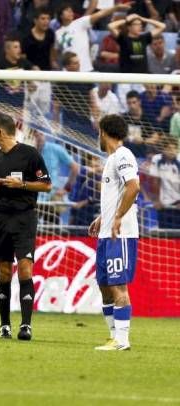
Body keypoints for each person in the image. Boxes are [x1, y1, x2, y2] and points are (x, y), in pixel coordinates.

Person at [0, 114, 51, 341]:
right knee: (4, 272)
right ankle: (4, 326)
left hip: (24, 218)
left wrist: (22, 184)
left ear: (1, 132)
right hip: (0, 218)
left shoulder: (30, 154)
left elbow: (47, 185)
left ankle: (26, 325)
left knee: (25, 269)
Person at [89, 114, 140, 351]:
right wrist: (103, 218)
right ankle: (113, 336)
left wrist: (118, 217)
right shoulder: (111, 159)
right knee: (105, 286)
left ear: (103, 132)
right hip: (107, 233)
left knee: (119, 287)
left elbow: (133, 186)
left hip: (120, 234)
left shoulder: (123, 155)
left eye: (98, 132)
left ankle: (122, 341)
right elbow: (119, 193)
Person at [55, 3, 130, 72]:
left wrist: (116, 8)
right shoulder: (57, 33)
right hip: (67, 72)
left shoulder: (80, 22)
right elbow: (56, 52)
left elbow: (100, 14)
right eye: (67, 11)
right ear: (60, 15)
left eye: (71, 11)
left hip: (86, 69)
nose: (71, 13)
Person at [148, 136, 180, 229]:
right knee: (164, 234)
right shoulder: (156, 159)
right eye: (169, 148)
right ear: (163, 149)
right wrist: (156, 200)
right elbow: (154, 181)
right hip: (163, 205)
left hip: (178, 204)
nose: (172, 151)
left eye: (175, 148)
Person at [21, 6, 57, 71]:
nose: (46, 21)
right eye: (43, 19)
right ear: (35, 20)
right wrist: (31, 66)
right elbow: (22, 57)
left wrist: (53, 64)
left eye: (48, 19)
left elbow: (52, 52)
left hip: (47, 71)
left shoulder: (51, 34)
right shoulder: (26, 35)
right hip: (30, 72)